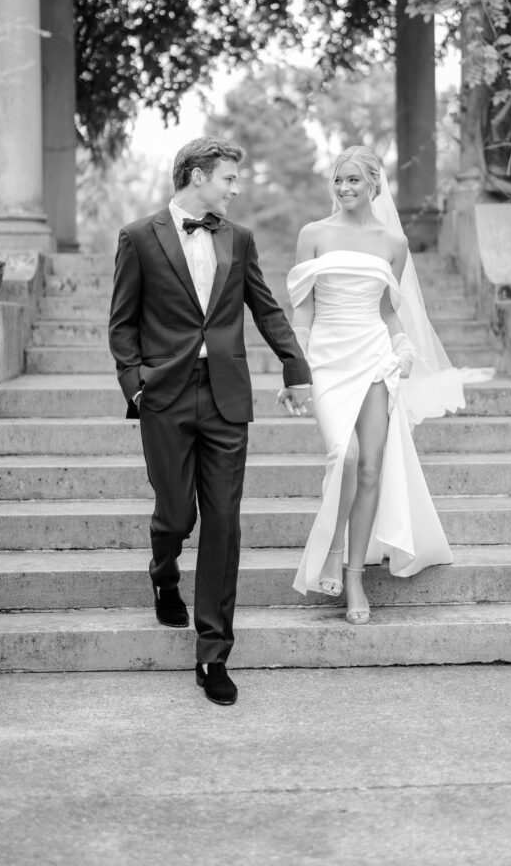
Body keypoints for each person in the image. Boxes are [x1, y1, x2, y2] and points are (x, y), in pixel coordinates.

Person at [109, 137, 312, 704]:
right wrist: (136, 383)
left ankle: (212, 655)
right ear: (198, 176)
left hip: (226, 397)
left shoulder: (238, 239)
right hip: (165, 395)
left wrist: (296, 368)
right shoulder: (138, 237)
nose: (235, 188)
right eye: (228, 178)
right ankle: (163, 571)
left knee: (223, 523)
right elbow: (122, 322)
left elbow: (265, 307)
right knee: (175, 514)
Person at [288, 145, 491, 623]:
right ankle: (333, 546)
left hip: (375, 355)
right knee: (347, 455)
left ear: (374, 184)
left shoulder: (393, 244)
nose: (344, 189)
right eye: (339, 180)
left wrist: (402, 348)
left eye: (354, 180)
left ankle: (354, 575)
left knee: (372, 467)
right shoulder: (313, 235)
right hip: (327, 358)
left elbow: (387, 310)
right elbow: (303, 310)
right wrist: (294, 366)